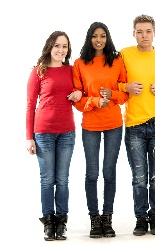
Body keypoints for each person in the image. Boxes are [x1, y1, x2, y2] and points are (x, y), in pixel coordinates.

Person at [119, 14, 155, 236]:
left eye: (148, 31)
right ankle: (141, 218)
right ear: (134, 33)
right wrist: (126, 87)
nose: (144, 35)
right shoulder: (124, 54)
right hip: (134, 125)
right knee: (139, 177)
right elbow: (114, 82)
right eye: (140, 31)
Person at [72, 22, 129, 238]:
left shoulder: (117, 61)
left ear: (107, 38)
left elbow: (124, 95)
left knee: (109, 172)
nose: (99, 40)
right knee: (92, 173)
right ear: (89, 38)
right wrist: (96, 100)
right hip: (91, 126)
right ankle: (94, 218)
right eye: (95, 36)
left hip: (114, 124)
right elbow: (77, 100)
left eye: (103, 36)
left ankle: (107, 217)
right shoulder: (80, 64)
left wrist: (111, 95)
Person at [26, 31, 81, 241]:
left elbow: (81, 89)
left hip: (67, 132)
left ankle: (61, 221)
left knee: (63, 179)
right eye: (57, 45)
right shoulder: (39, 72)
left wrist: (80, 94)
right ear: (50, 46)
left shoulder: (71, 69)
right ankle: (49, 221)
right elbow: (30, 105)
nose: (61, 50)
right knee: (47, 180)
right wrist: (29, 137)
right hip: (43, 132)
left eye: (65, 46)